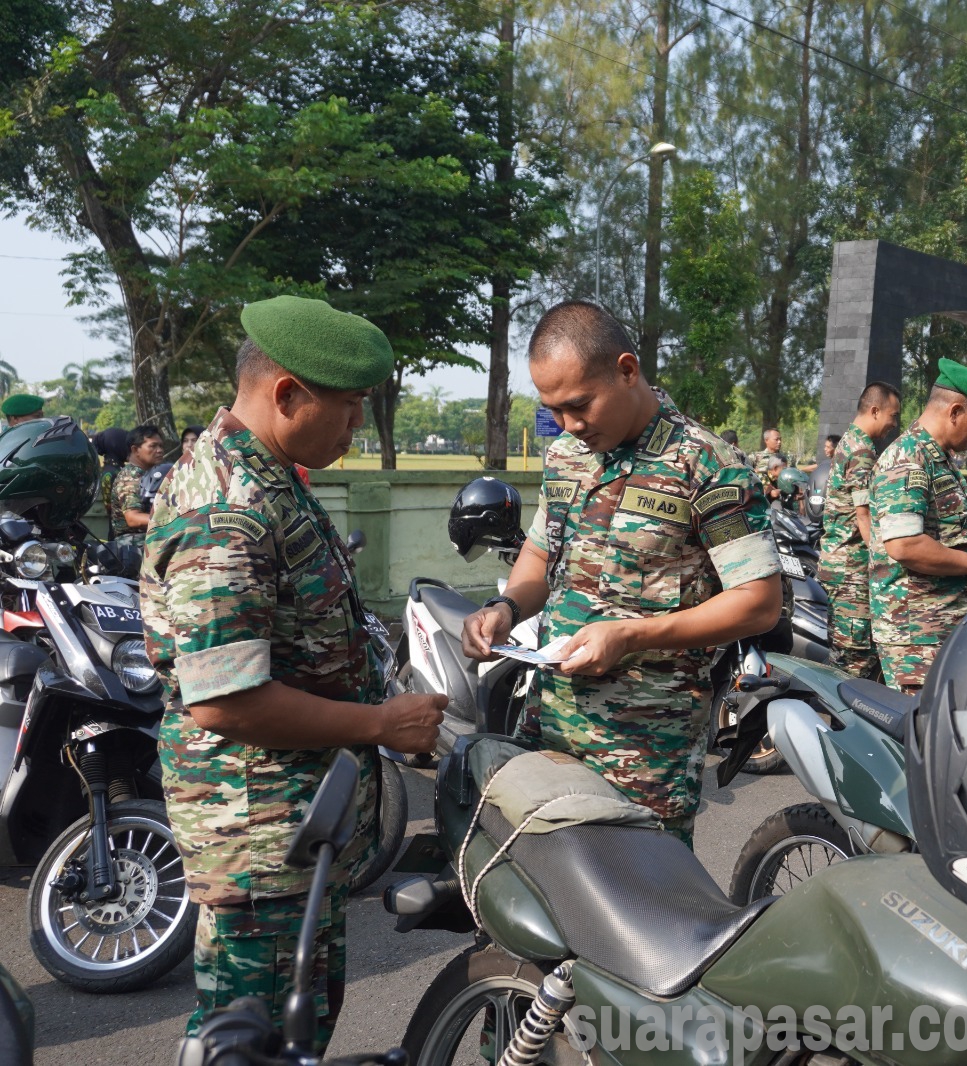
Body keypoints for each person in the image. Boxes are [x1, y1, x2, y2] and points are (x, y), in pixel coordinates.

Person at [142, 294, 445, 1049]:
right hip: (255, 834)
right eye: (348, 408)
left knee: (297, 1022)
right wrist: (380, 725)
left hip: (294, 823)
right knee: (253, 1038)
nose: (356, 428)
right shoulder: (229, 508)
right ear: (286, 394)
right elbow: (226, 701)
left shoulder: (271, 477)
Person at [459, 300, 781, 844]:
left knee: (647, 906)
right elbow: (540, 555)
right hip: (552, 727)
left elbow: (759, 601)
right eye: (554, 409)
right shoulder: (566, 457)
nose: (568, 425)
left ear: (627, 371)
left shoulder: (706, 463)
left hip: (646, 751)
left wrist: (633, 633)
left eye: (580, 405)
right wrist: (505, 609)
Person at [868, 358, 967, 693]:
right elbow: (905, 545)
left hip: (943, 629)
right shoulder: (908, 458)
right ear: (956, 411)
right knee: (926, 735)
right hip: (918, 637)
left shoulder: (936, 458)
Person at [818, 382, 901, 681]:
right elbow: (863, 515)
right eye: (893, 416)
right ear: (875, 410)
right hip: (851, 571)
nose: (894, 424)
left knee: (843, 657)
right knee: (855, 665)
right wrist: (885, 563)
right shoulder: (863, 449)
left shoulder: (849, 441)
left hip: (838, 566)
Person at [110, 424, 164, 550]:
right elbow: (133, 518)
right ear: (135, 450)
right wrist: (169, 520)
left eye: (161, 446)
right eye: (153, 446)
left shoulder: (148, 475)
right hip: (133, 545)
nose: (160, 450)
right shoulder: (131, 476)